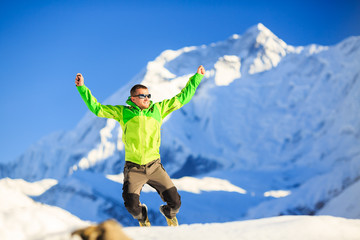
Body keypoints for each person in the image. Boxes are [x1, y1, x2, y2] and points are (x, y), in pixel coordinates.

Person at [75, 65, 205, 226]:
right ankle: (142, 217)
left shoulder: (158, 109)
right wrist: (81, 88)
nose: (147, 98)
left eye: (148, 95)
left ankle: (168, 213)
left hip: (154, 166)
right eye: (143, 95)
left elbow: (182, 98)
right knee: (131, 206)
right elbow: (97, 109)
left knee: (175, 203)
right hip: (133, 168)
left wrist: (197, 77)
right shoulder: (123, 112)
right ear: (133, 98)